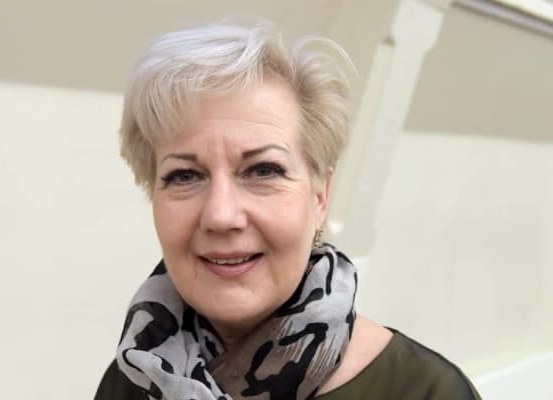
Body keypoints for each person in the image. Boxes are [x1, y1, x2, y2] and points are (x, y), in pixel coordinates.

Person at [95, 22, 481, 400]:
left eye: (263, 170)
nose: (221, 215)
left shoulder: (427, 392)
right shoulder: (134, 378)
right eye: (184, 176)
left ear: (320, 196)